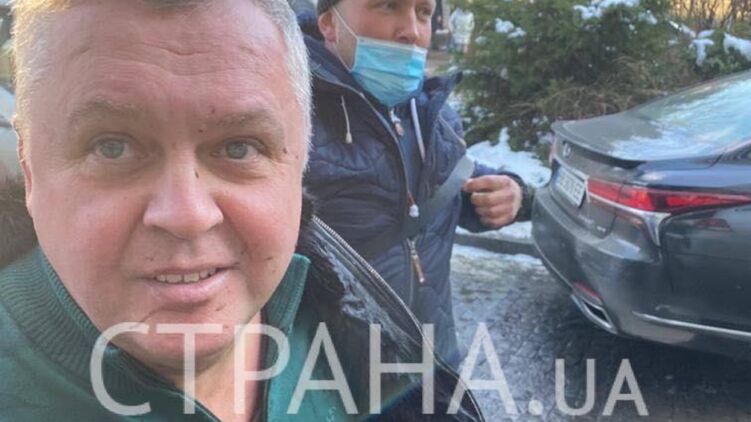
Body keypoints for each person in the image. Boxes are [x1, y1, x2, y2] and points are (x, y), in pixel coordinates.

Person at [0, 0, 483, 420]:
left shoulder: (350, 336)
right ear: (28, 163)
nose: (188, 215)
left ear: (301, 160)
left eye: (238, 148)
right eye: (112, 147)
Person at [301, 0, 532, 368]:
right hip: (332, 377)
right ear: (329, 24)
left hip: (437, 364)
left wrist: (514, 193)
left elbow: (452, 184)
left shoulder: (431, 111)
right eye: (388, 6)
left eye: (423, 12)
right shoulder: (291, 118)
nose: (412, 30)